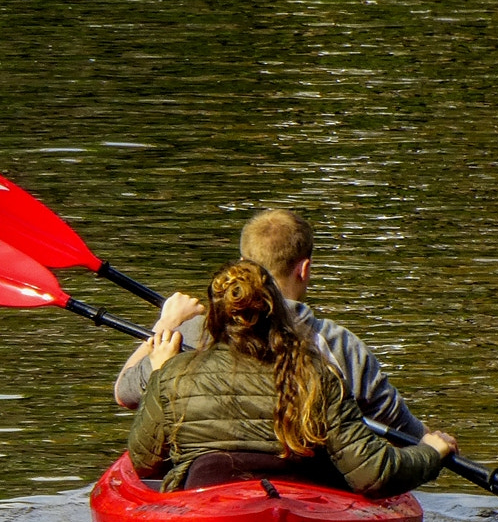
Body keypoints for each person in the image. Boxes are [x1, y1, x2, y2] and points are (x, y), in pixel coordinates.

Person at [127, 259, 457, 495]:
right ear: (279, 314)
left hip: (207, 505)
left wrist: (158, 374)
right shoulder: (318, 377)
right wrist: (431, 452)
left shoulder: (172, 374)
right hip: (302, 510)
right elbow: (373, 474)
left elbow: (144, 463)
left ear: (212, 320)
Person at [114, 209, 426, 438]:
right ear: (304, 269)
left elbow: (125, 393)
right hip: (313, 488)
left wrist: (165, 324)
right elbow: (402, 431)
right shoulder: (339, 344)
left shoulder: (194, 331)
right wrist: (433, 447)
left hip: (208, 481)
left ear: (240, 267)